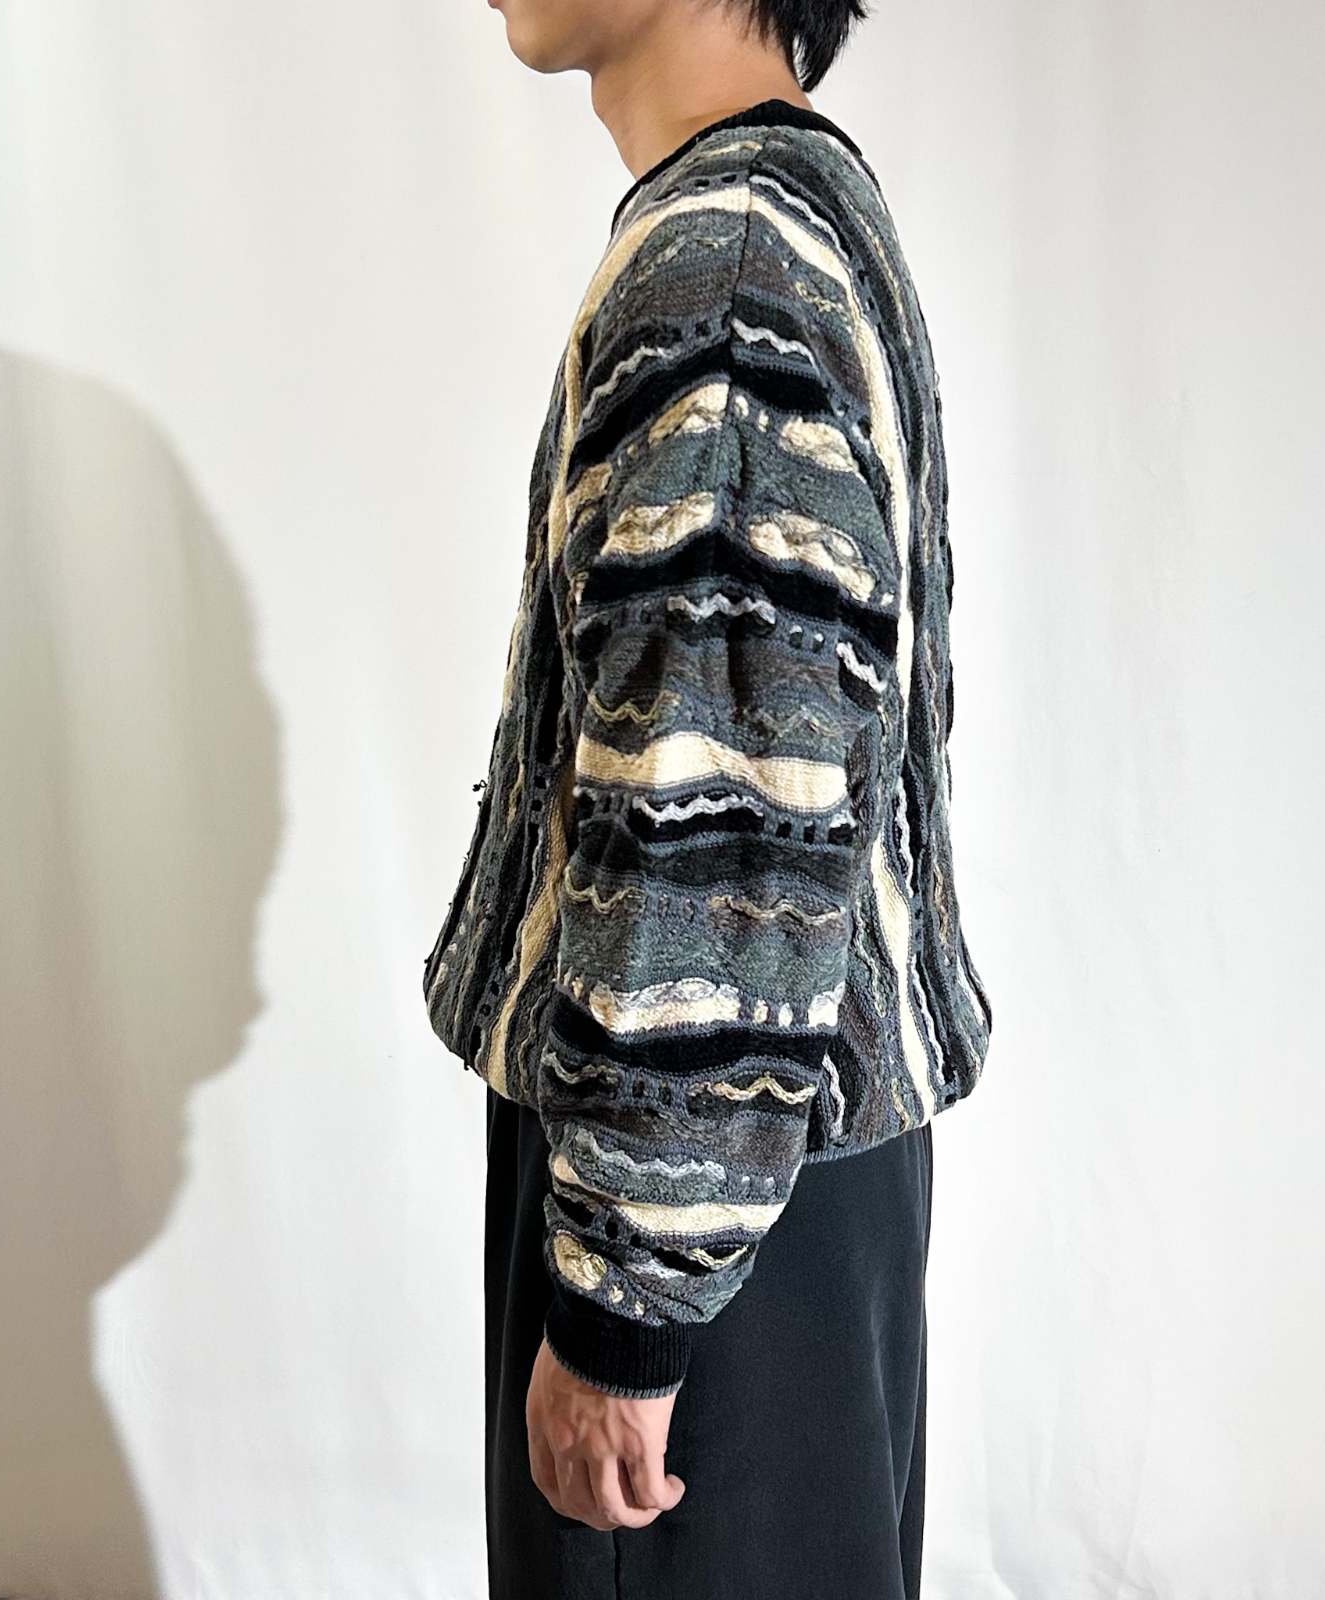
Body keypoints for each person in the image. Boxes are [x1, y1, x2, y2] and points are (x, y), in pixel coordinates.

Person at [421, 2, 994, 1594]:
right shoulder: (790, 218)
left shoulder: (725, 267)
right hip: (765, 1170)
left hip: (708, 1196)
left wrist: (627, 1306)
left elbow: (721, 815)